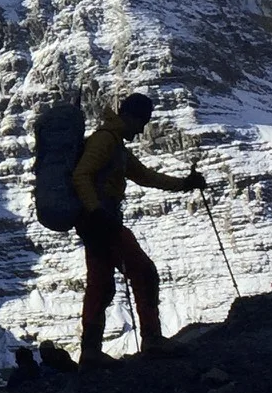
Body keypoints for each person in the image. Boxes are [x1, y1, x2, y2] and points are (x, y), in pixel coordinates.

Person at [72, 92, 205, 367]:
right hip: (102, 220)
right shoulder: (106, 141)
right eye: (142, 121)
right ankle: (152, 339)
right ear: (131, 116)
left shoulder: (115, 145)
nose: (143, 128)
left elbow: (145, 176)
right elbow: (81, 174)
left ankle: (90, 351)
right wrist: (96, 209)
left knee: (101, 283)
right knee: (143, 272)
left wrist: (185, 184)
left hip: (93, 222)